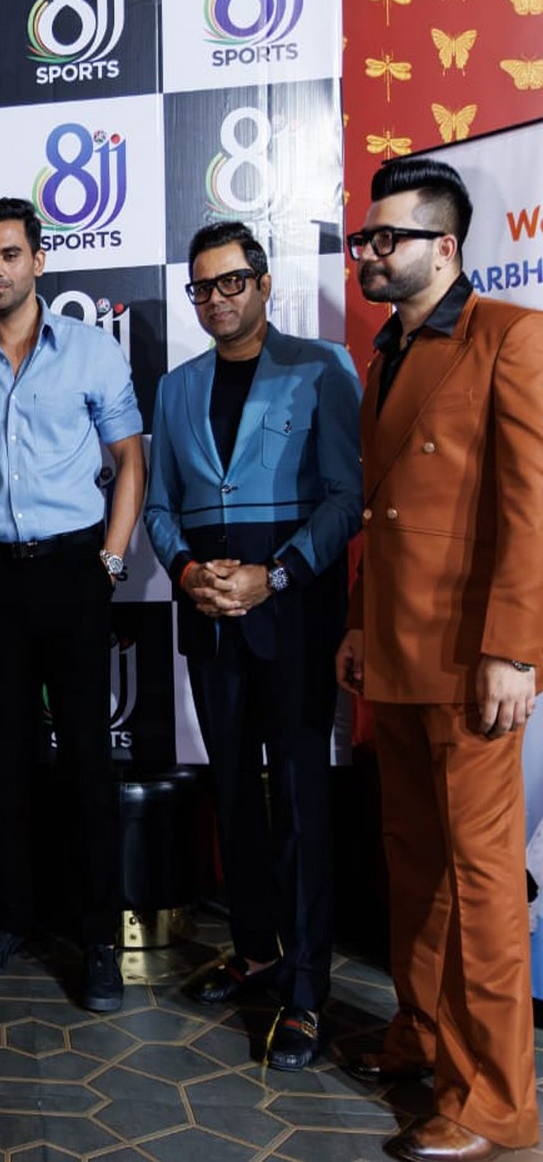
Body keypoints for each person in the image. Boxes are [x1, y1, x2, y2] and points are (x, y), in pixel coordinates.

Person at [336, 157, 543, 1162]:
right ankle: (423, 1033)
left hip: (472, 672)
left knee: (480, 883)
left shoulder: (510, 338)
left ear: (445, 247)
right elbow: (385, 516)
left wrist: (512, 649)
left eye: (387, 239)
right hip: (397, 657)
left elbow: (528, 507)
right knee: (414, 868)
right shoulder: (390, 352)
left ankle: (498, 1100)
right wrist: (359, 625)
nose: (368, 253)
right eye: (365, 239)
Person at [144, 221, 361, 1068]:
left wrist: (278, 574)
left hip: (294, 611)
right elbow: (160, 505)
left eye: (231, 282)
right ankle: (258, 948)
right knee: (232, 789)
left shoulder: (322, 367)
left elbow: (346, 496)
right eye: (202, 287)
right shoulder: (175, 388)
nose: (217, 299)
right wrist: (188, 571)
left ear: (265, 284)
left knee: (303, 800)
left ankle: (307, 990)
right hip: (208, 614)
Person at [0, 197, 144, 1013]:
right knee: (6, 761)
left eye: (10, 255)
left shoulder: (90, 353)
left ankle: (96, 942)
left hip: (74, 573)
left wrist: (112, 561)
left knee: (88, 759)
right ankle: (9, 919)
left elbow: (129, 460)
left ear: (40, 260)